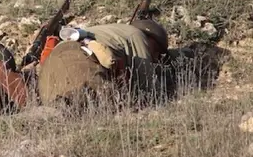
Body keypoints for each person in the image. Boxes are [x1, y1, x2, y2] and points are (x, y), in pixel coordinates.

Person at [36, 19, 169, 107]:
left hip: (52, 63)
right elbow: (149, 87)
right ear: (151, 40)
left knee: (57, 110)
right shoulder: (136, 35)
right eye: (156, 51)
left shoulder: (106, 33)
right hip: (80, 59)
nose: (155, 57)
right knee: (97, 101)